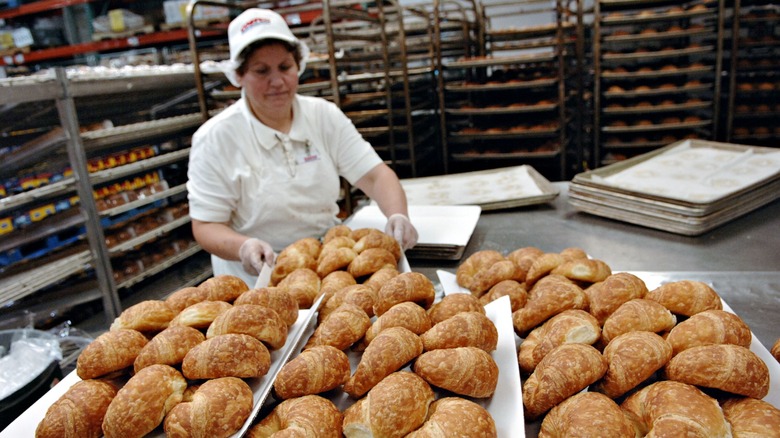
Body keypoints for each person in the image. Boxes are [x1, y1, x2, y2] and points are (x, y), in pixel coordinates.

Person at [187, 8, 418, 287]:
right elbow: (205, 225)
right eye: (261, 71)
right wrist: (243, 247)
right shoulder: (216, 138)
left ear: (299, 66)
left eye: (285, 67)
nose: (277, 81)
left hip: (329, 269)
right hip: (257, 281)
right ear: (238, 76)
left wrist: (397, 214)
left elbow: (375, 175)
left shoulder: (322, 116)